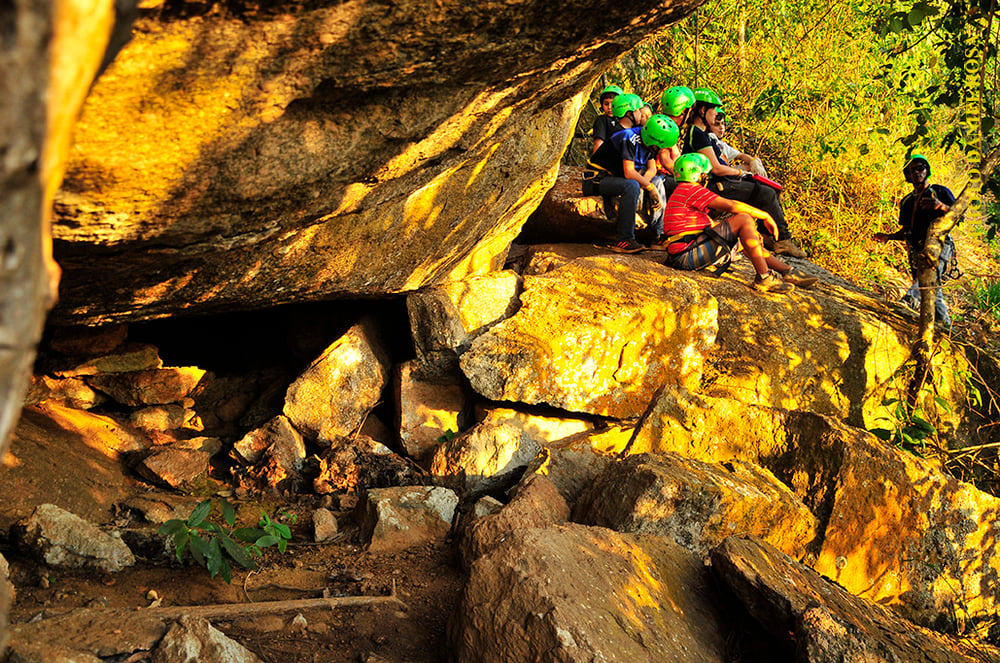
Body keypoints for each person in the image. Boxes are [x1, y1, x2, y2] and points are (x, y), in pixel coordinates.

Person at [660, 153, 818, 294]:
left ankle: (787, 271)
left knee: (747, 238)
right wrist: (764, 215)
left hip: (685, 252)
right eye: (704, 174)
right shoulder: (692, 190)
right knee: (744, 219)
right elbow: (732, 205)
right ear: (698, 175)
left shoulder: (682, 192)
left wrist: (751, 234)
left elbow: (706, 225)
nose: (706, 178)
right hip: (685, 256)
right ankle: (764, 277)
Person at [682, 87, 807, 259]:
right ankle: (782, 240)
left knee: (766, 188)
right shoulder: (697, 134)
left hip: (721, 182)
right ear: (703, 110)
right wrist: (739, 172)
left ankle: (769, 236)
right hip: (712, 187)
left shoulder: (705, 135)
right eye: (713, 110)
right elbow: (716, 168)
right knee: (764, 192)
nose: (715, 114)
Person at [873, 154, 957, 327]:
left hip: (939, 244)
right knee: (932, 286)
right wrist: (888, 237)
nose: (917, 172)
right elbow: (906, 230)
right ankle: (944, 324)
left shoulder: (939, 191)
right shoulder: (907, 201)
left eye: (921, 168)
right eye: (913, 170)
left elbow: (958, 214)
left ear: (927, 171)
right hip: (916, 249)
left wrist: (940, 206)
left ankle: (907, 302)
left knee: (925, 278)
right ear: (908, 175)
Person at [584, 111, 677, 253]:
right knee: (632, 185)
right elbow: (629, 172)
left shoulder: (649, 143)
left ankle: (658, 234)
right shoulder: (629, 138)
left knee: (657, 180)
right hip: (596, 179)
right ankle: (624, 239)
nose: (663, 150)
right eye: (662, 146)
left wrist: (645, 185)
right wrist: (648, 187)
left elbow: (652, 169)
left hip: (615, 178)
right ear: (655, 141)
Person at [709, 111, 768, 178]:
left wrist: (753, 162)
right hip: (721, 175)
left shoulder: (722, 144)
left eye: (723, 123)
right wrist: (741, 172)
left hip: (728, 172)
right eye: (717, 124)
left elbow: (740, 155)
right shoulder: (709, 138)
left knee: (756, 161)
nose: (721, 127)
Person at [592, 84, 623, 153]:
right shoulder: (602, 120)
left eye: (612, 104)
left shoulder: (625, 120)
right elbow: (598, 143)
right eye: (606, 104)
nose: (609, 107)